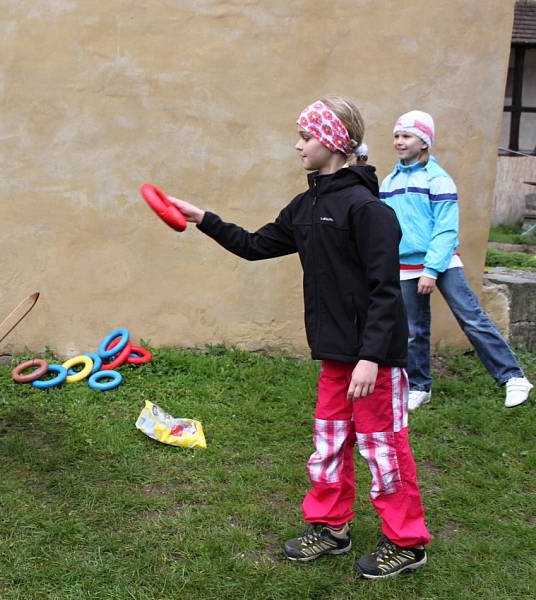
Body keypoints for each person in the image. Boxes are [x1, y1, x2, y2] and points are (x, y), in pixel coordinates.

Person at [168, 96, 430, 579]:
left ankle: (407, 541)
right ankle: (331, 528)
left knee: (383, 449)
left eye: (305, 136)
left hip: (375, 361)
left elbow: (386, 291)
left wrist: (371, 358)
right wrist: (203, 218)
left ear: (332, 143)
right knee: (328, 444)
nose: (297, 145)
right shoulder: (307, 205)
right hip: (335, 357)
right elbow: (253, 246)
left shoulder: (368, 210)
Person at [380, 111, 533, 410]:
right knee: (413, 329)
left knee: (471, 318)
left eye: (407, 136)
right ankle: (419, 385)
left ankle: (513, 377)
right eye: (397, 136)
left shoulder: (438, 179)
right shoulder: (388, 182)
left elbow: (446, 229)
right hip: (404, 265)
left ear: (424, 142)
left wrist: (432, 270)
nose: (399, 141)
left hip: (442, 263)